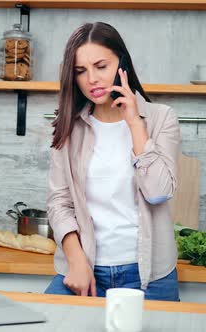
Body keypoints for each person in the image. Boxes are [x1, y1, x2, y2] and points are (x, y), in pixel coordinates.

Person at [44, 22, 181, 301]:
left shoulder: (160, 118)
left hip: (149, 274)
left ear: (122, 64)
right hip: (84, 268)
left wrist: (134, 123)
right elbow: (59, 201)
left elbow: (158, 193)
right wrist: (77, 261)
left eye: (100, 66)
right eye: (80, 71)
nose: (91, 79)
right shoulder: (68, 127)